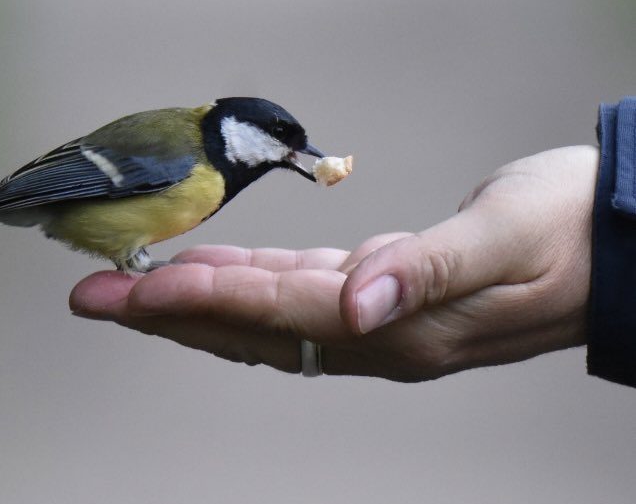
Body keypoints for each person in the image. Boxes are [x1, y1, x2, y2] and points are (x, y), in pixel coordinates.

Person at [70, 98, 636, 387]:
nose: (298, 153)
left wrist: (600, 239)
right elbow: (75, 175)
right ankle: (138, 266)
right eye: (282, 141)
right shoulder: (190, 159)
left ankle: (140, 267)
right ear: (236, 132)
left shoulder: (204, 155)